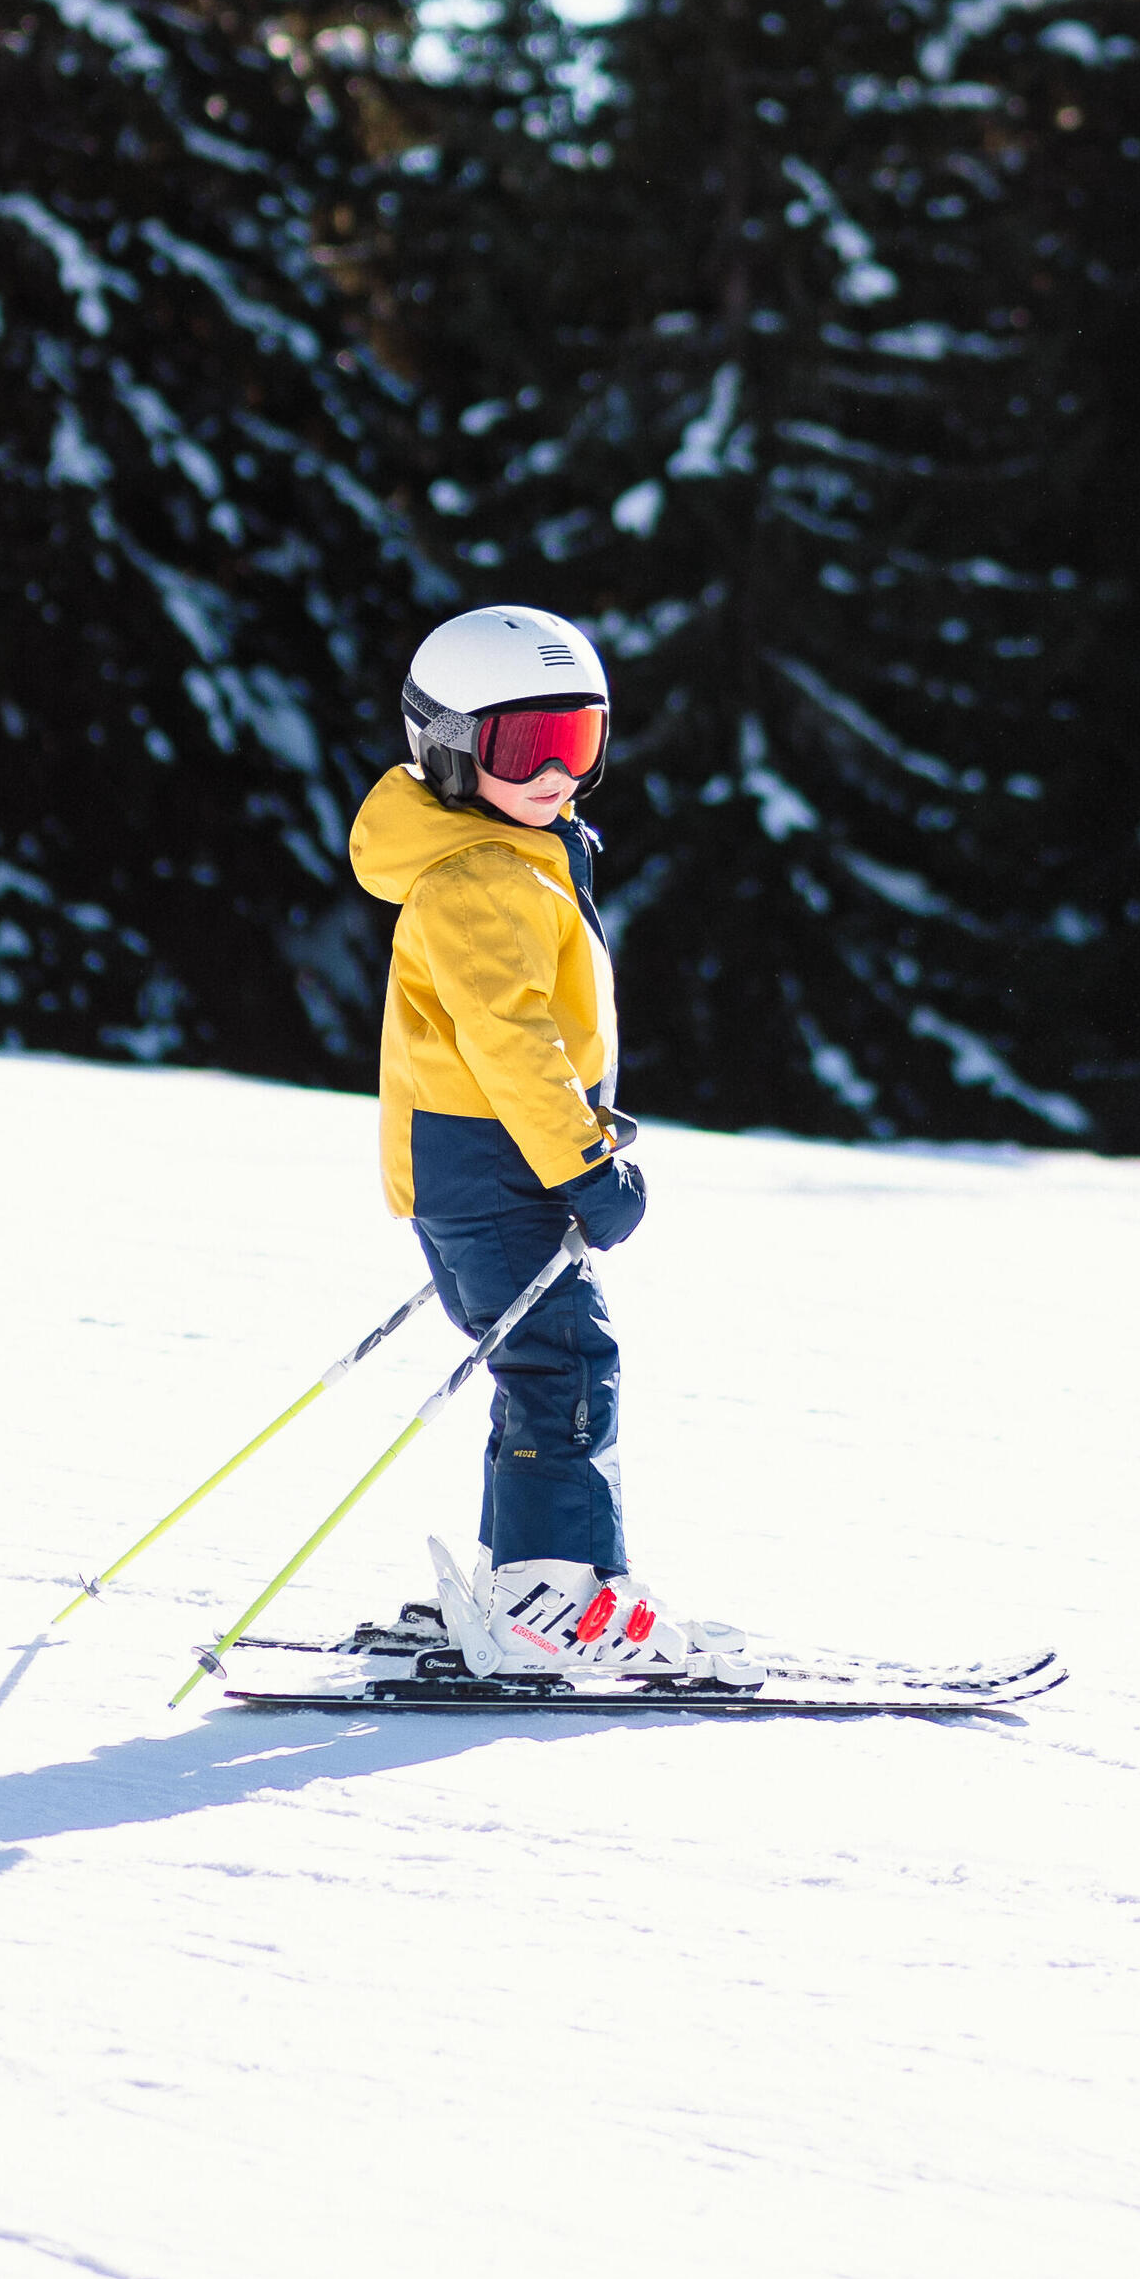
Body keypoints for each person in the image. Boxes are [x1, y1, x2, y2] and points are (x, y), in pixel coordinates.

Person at [347, 601, 686, 1682]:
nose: (555, 776)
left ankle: (526, 1587)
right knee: (564, 1370)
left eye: (576, 742)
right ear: (447, 749)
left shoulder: (510, 849)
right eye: (522, 748)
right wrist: (584, 1161)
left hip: (479, 1159)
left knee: (541, 1370)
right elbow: (509, 1038)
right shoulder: (481, 877)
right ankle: (554, 1603)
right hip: (501, 1156)